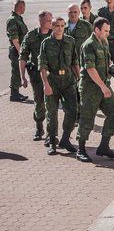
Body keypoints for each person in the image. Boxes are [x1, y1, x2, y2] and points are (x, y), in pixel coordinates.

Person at [76, 17, 114, 162]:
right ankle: (81, 149)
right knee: (87, 118)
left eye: (108, 31)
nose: (108, 33)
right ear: (97, 30)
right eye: (105, 31)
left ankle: (104, 146)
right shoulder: (89, 45)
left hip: (104, 85)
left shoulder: (104, 42)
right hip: (91, 88)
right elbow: (90, 69)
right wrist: (103, 87)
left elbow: (107, 62)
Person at [38, 17, 79, 155]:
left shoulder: (70, 41)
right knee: (52, 112)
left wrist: (78, 77)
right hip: (53, 81)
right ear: (52, 27)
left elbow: (74, 61)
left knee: (73, 110)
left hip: (68, 80)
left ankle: (65, 139)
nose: (60, 28)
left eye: (62, 25)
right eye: (57, 26)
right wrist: (46, 84)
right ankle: (52, 142)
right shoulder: (46, 43)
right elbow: (42, 65)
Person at [19, 11, 53, 141]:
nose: (51, 22)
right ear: (42, 22)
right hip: (36, 75)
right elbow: (22, 57)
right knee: (39, 103)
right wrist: (23, 77)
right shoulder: (31, 36)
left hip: (53, 74)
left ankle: (51, 133)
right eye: (49, 20)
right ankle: (39, 128)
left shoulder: (55, 34)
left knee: (51, 103)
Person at [6, 0, 29, 102]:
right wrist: (21, 53)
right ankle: (14, 94)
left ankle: (16, 92)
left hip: (19, 50)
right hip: (16, 51)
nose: (25, 9)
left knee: (18, 72)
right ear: (20, 7)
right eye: (24, 7)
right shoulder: (13, 20)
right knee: (16, 71)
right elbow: (15, 39)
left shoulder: (18, 18)